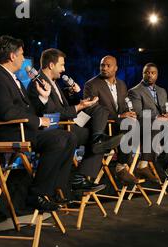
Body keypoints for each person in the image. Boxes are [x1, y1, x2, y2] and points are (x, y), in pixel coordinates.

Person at [0, 36, 97, 211]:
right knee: (59, 139)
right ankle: (37, 194)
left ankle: (57, 189)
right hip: (8, 133)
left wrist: (43, 97)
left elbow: (28, 108)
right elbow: (7, 113)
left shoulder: (9, 76)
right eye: (21, 54)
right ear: (12, 56)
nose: (24, 59)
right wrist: (39, 121)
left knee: (69, 137)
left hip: (22, 129)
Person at [27, 48, 121, 186]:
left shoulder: (52, 81)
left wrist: (72, 95)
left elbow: (60, 104)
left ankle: (98, 139)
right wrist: (79, 107)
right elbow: (53, 113)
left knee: (100, 111)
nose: (64, 69)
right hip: (57, 126)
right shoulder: (39, 83)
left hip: (69, 121)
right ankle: (81, 176)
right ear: (51, 65)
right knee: (98, 140)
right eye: (62, 65)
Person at [83, 55, 139, 184]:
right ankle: (121, 168)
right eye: (102, 65)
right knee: (130, 126)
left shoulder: (122, 84)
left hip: (120, 124)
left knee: (134, 122)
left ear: (116, 68)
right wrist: (119, 116)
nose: (104, 68)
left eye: (108, 65)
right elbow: (92, 110)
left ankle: (128, 165)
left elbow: (124, 106)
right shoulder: (91, 84)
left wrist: (128, 113)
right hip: (104, 126)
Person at [127, 63, 168, 180]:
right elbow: (138, 113)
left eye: (153, 73)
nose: (150, 75)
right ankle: (166, 164)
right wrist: (157, 117)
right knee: (167, 125)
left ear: (157, 75)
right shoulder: (135, 91)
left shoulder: (162, 91)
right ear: (143, 74)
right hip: (145, 125)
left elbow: (167, 108)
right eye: (147, 72)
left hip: (163, 125)